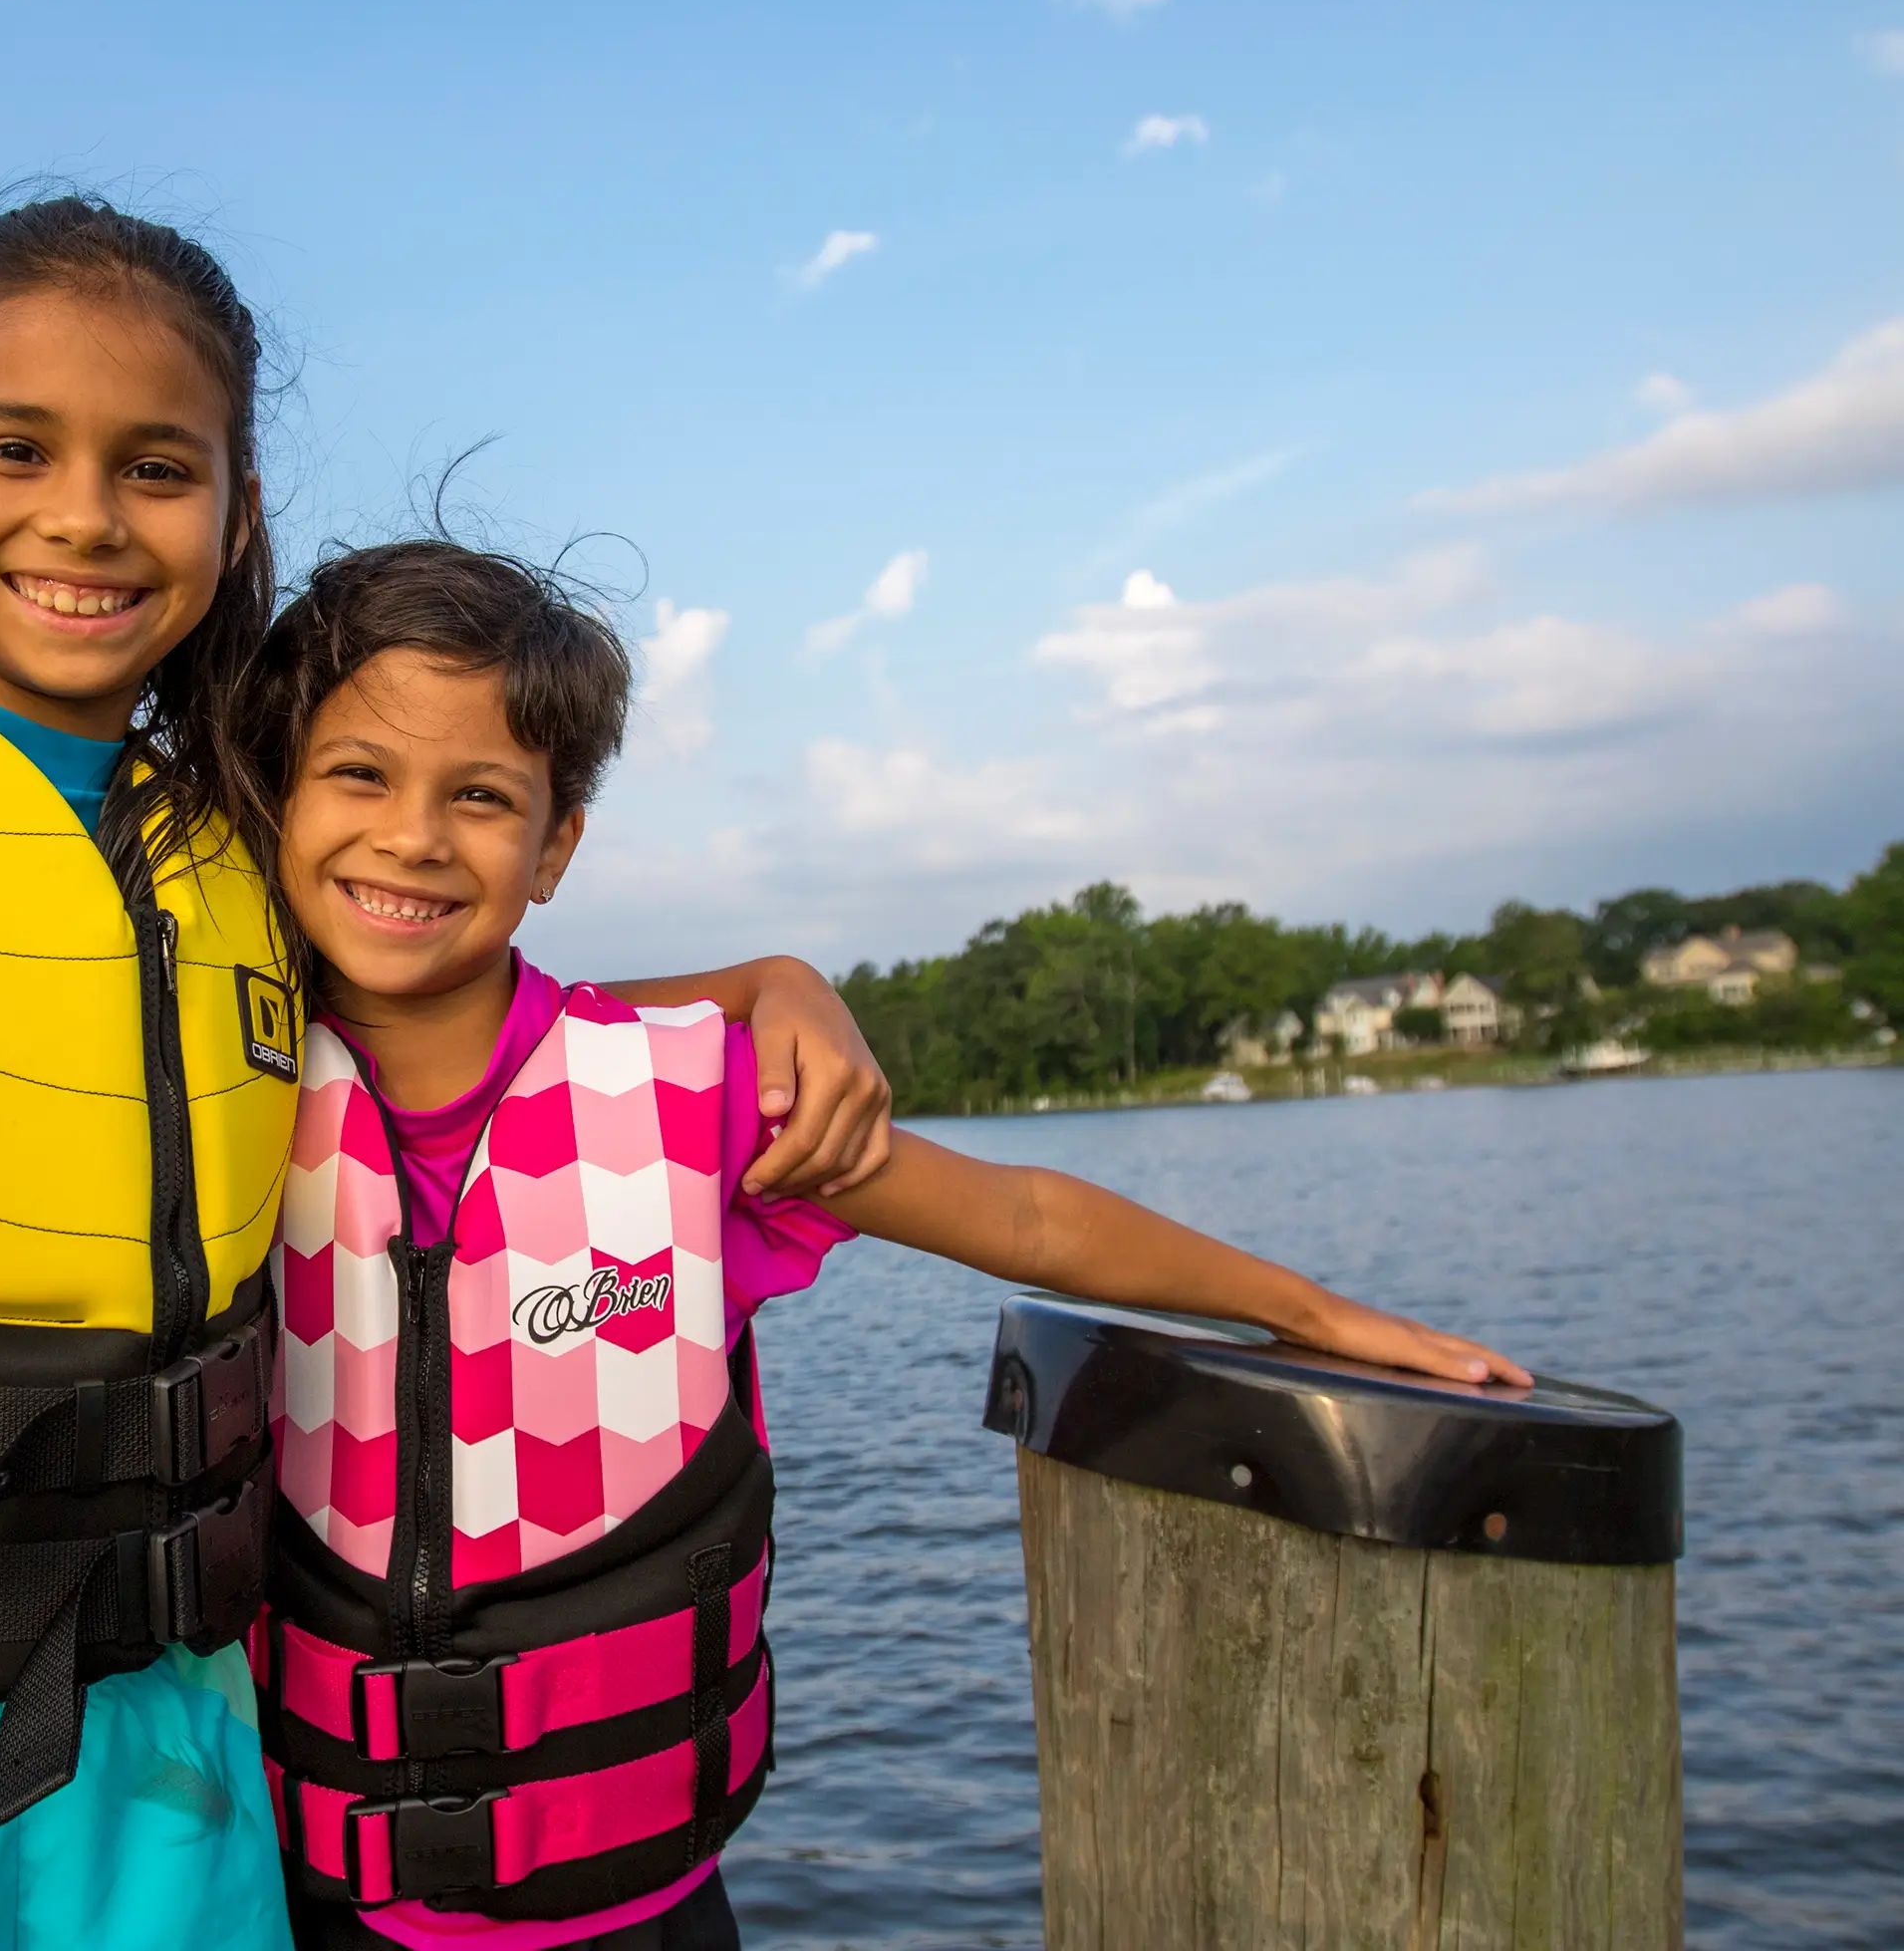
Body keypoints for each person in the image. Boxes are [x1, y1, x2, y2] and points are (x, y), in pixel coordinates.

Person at [0, 201, 898, 1951]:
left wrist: (769, 987)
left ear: (233, 516)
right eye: (15, 448)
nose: (83, 515)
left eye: (157, 468)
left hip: (188, 1769)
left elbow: (474, 1014)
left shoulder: (230, 850)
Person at [225, 541, 1527, 1950]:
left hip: (635, 1910)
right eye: (359, 774)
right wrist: (766, 975)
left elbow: (1026, 1218)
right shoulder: (222, 1090)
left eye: (480, 797)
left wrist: (1315, 1315)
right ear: (276, 797)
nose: (414, 837)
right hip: (304, 1903)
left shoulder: (695, 1104)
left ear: (555, 847)